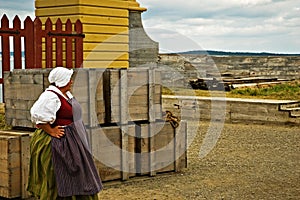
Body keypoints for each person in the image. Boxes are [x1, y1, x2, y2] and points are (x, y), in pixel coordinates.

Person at [27, 67, 103, 199]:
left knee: (79, 173)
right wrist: (51, 130)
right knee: (59, 176)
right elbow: (37, 115)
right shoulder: (50, 96)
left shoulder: (65, 94)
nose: (71, 82)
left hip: (72, 141)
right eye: (69, 79)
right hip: (58, 143)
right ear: (62, 81)